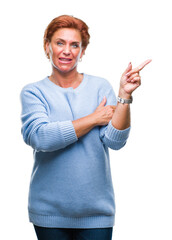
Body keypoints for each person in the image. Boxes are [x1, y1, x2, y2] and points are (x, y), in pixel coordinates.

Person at [20, 15, 151, 240]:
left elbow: (115, 141)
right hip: (49, 212)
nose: (67, 51)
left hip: (96, 212)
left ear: (82, 50)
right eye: (60, 42)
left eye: (75, 45)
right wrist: (93, 118)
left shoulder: (100, 87)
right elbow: (40, 138)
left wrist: (124, 96)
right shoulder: (34, 92)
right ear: (47, 46)